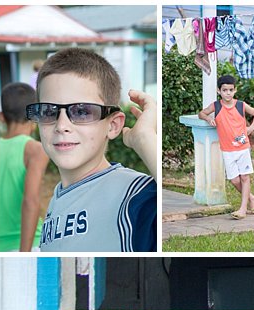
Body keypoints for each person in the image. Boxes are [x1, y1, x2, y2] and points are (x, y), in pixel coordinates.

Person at [26, 47, 157, 252]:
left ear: (113, 125)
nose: (62, 125)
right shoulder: (58, 198)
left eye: (81, 112)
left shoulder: (135, 195)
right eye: (49, 111)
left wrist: (145, 139)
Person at [0, 82, 49, 251]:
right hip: (27, 243)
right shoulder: (35, 150)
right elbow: (31, 201)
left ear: (2, 116)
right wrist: (25, 253)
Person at [198, 74, 254, 219]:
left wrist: (251, 127)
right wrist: (208, 118)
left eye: (230, 90)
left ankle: (243, 208)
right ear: (219, 91)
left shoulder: (241, 105)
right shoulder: (216, 106)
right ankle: (251, 197)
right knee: (234, 180)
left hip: (243, 147)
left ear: (235, 90)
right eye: (225, 90)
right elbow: (201, 113)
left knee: (245, 177)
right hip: (227, 149)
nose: (228, 93)